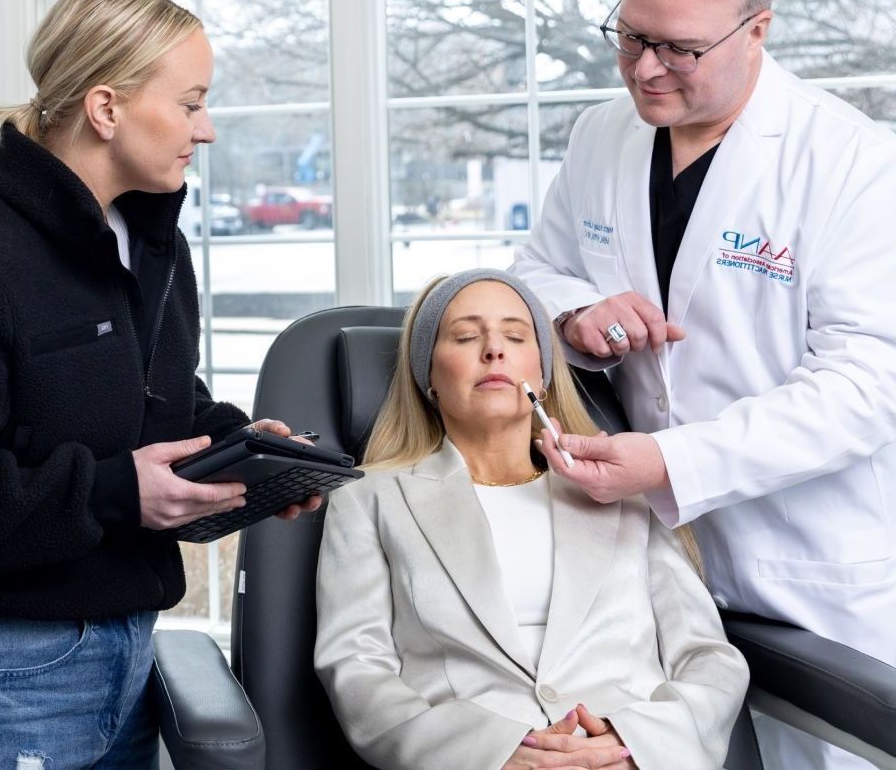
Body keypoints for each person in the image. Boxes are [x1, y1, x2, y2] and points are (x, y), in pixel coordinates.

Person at [511, 0, 896, 769]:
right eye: (631, 36)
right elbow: (534, 269)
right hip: (657, 570)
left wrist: (675, 463)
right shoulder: (602, 137)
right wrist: (573, 311)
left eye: (680, 48)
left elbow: (871, 383)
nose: (645, 71)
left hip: (817, 564)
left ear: (758, 28)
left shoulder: (851, 163)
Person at [0, 0, 321, 770]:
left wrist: (242, 450)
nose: (205, 129)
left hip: (127, 656)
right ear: (106, 108)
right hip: (2, 676)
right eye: (189, 103)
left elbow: (149, 404)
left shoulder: (152, 247)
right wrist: (120, 491)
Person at [315, 268, 746, 770]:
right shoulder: (371, 499)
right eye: (466, 336)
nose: (494, 350)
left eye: (516, 336)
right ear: (426, 373)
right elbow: (357, 668)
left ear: (542, 371)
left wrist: (634, 746)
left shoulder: (619, 491)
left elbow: (707, 657)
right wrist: (490, 756)